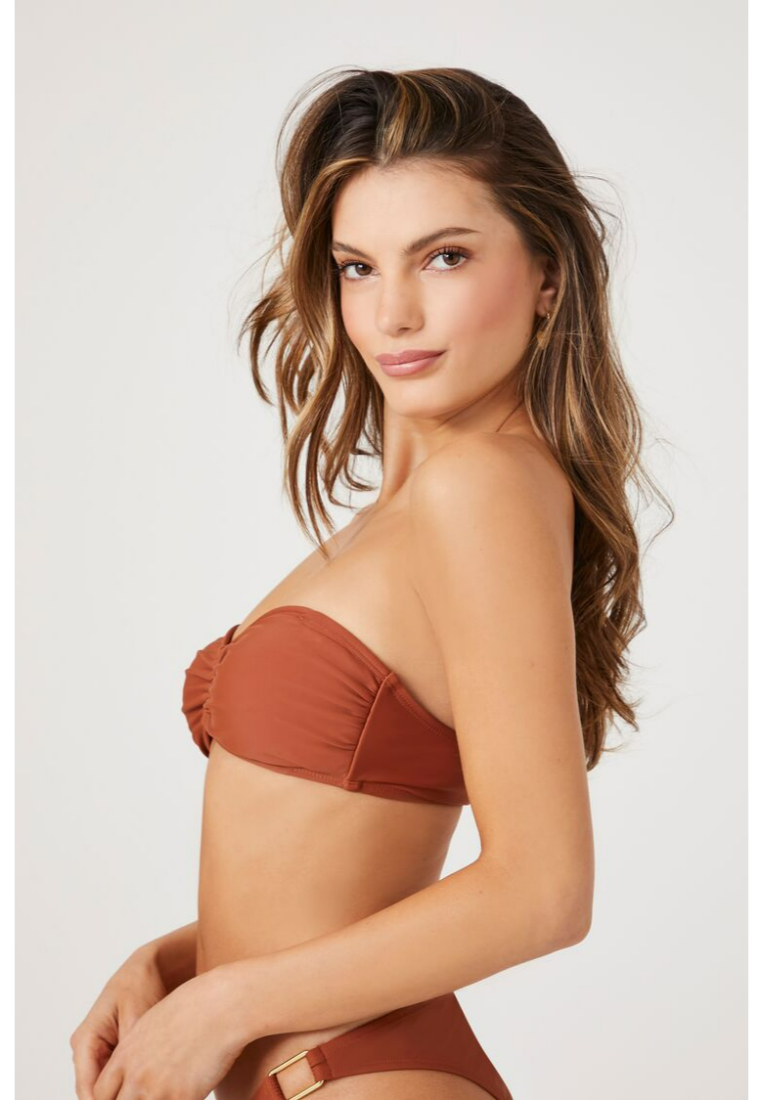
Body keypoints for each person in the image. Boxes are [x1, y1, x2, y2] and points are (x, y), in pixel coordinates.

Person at [70, 66, 671, 1100]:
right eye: (357, 266)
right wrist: (176, 962)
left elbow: (543, 889)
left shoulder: (483, 487)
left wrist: (223, 1005)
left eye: (445, 256)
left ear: (548, 272)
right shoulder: (425, 501)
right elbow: (332, 878)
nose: (393, 311)